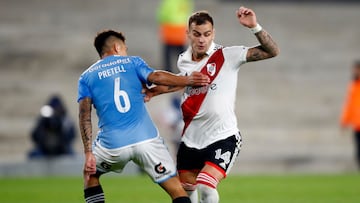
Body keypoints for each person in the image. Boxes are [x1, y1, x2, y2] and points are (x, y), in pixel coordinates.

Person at [145, 6, 279, 203]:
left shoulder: (228, 55)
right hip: (191, 139)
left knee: (207, 187)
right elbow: (185, 81)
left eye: (206, 34)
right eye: (197, 34)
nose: (201, 39)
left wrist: (254, 27)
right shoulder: (183, 60)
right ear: (188, 33)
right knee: (186, 190)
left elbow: (272, 51)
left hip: (222, 137)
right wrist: (155, 91)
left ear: (213, 34)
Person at [77, 30, 210, 203]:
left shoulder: (86, 77)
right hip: (147, 141)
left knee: (90, 174)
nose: (126, 51)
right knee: (176, 189)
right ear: (117, 47)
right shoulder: (132, 62)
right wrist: (188, 80)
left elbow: (84, 115)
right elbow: (158, 77)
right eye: (125, 48)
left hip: (112, 145)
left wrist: (88, 153)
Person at [28, 94, 76, 158]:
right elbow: (34, 135)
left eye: (57, 109)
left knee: (72, 157)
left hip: (62, 149)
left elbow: (71, 136)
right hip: (44, 150)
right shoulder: (44, 120)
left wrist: (62, 127)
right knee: (33, 155)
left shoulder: (65, 120)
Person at [156, 0, 193, 73]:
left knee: (168, 52)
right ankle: (185, 68)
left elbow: (162, 15)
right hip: (181, 29)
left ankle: (168, 70)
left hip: (170, 29)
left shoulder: (168, 2)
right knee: (181, 51)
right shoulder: (185, 2)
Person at [340, 60, 360, 170]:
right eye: (354, 69)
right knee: (358, 151)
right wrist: (344, 121)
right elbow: (349, 105)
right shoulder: (353, 86)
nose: (355, 71)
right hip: (357, 124)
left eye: (357, 69)